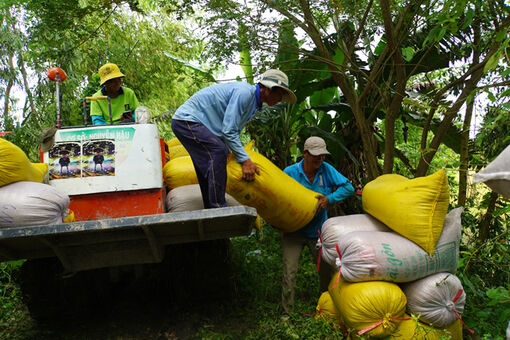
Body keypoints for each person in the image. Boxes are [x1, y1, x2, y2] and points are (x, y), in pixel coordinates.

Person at [171, 69, 297, 209]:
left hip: (190, 123)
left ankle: (211, 206)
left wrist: (235, 155)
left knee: (209, 162)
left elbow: (230, 132)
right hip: (187, 120)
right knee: (218, 151)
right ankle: (218, 206)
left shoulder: (253, 104)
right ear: (267, 89)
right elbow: (228, 131)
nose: (280, 99)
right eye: (279, 94)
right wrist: (245, 160)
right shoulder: (245, 93)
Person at [281, 136, 354, 317]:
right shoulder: (290, 172)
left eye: (322, 155)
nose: (320, 159)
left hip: (319, 233)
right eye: (316, 155)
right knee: (289, 272)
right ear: (304, 154)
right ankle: (286, 314)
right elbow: (278, 196)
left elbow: (348, 187)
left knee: (325, 272)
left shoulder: (326, 170)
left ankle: (325, 309)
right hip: (293, 231)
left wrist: (330, 198)